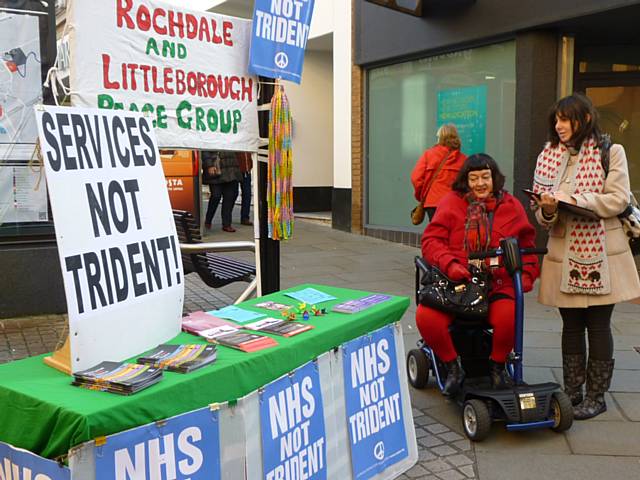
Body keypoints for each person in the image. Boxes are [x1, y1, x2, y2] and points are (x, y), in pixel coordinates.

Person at [531, 93, 640, 420]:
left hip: (603, 253)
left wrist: (573, 198)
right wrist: (548, 209)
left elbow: (617, 200)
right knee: (571, 326)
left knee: (598, 324)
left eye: (566, 119)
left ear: (585, 119)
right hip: (564, 252)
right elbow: (540, 213)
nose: (559, 125)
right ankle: (572, 391)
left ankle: (596, 396)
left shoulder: (612, 152)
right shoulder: (547, 155)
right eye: (556, 119)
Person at [416, 154, 540, 395]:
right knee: (426, 316)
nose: (480, 183)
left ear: (495, 178)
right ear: (466, 180)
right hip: (458, 283)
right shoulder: (450, 202)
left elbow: (527, 246)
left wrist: (526, 274)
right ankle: (453, 367)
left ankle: (497, 367)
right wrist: (450, 264)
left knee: (508, 317)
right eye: (474, 178)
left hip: (497, 282)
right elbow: (431, 241)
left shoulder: (512, 206)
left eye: (485, 177)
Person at [411, 124, 467, 221]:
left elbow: (416, 178)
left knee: (437, 232)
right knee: (453, 231)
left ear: (440, 138)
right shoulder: (463, 159)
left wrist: (422, 195)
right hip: (454, 202)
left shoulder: (428, 154)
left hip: (433, 202)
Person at [202, 150, 242, 233]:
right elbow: (205, 151)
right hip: (216, 168)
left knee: (229, 197)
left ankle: (227, 224)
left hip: (230, 168)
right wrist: (209, 165)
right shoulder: (209, 137)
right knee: (216, 196)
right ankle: (208, 220)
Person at [236, 151, 253, 226]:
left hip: (247, 171)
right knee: (233, 194)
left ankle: (245, 217)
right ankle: (227, 219)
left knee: (247, 194)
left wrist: (250, 165)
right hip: (236, 170)